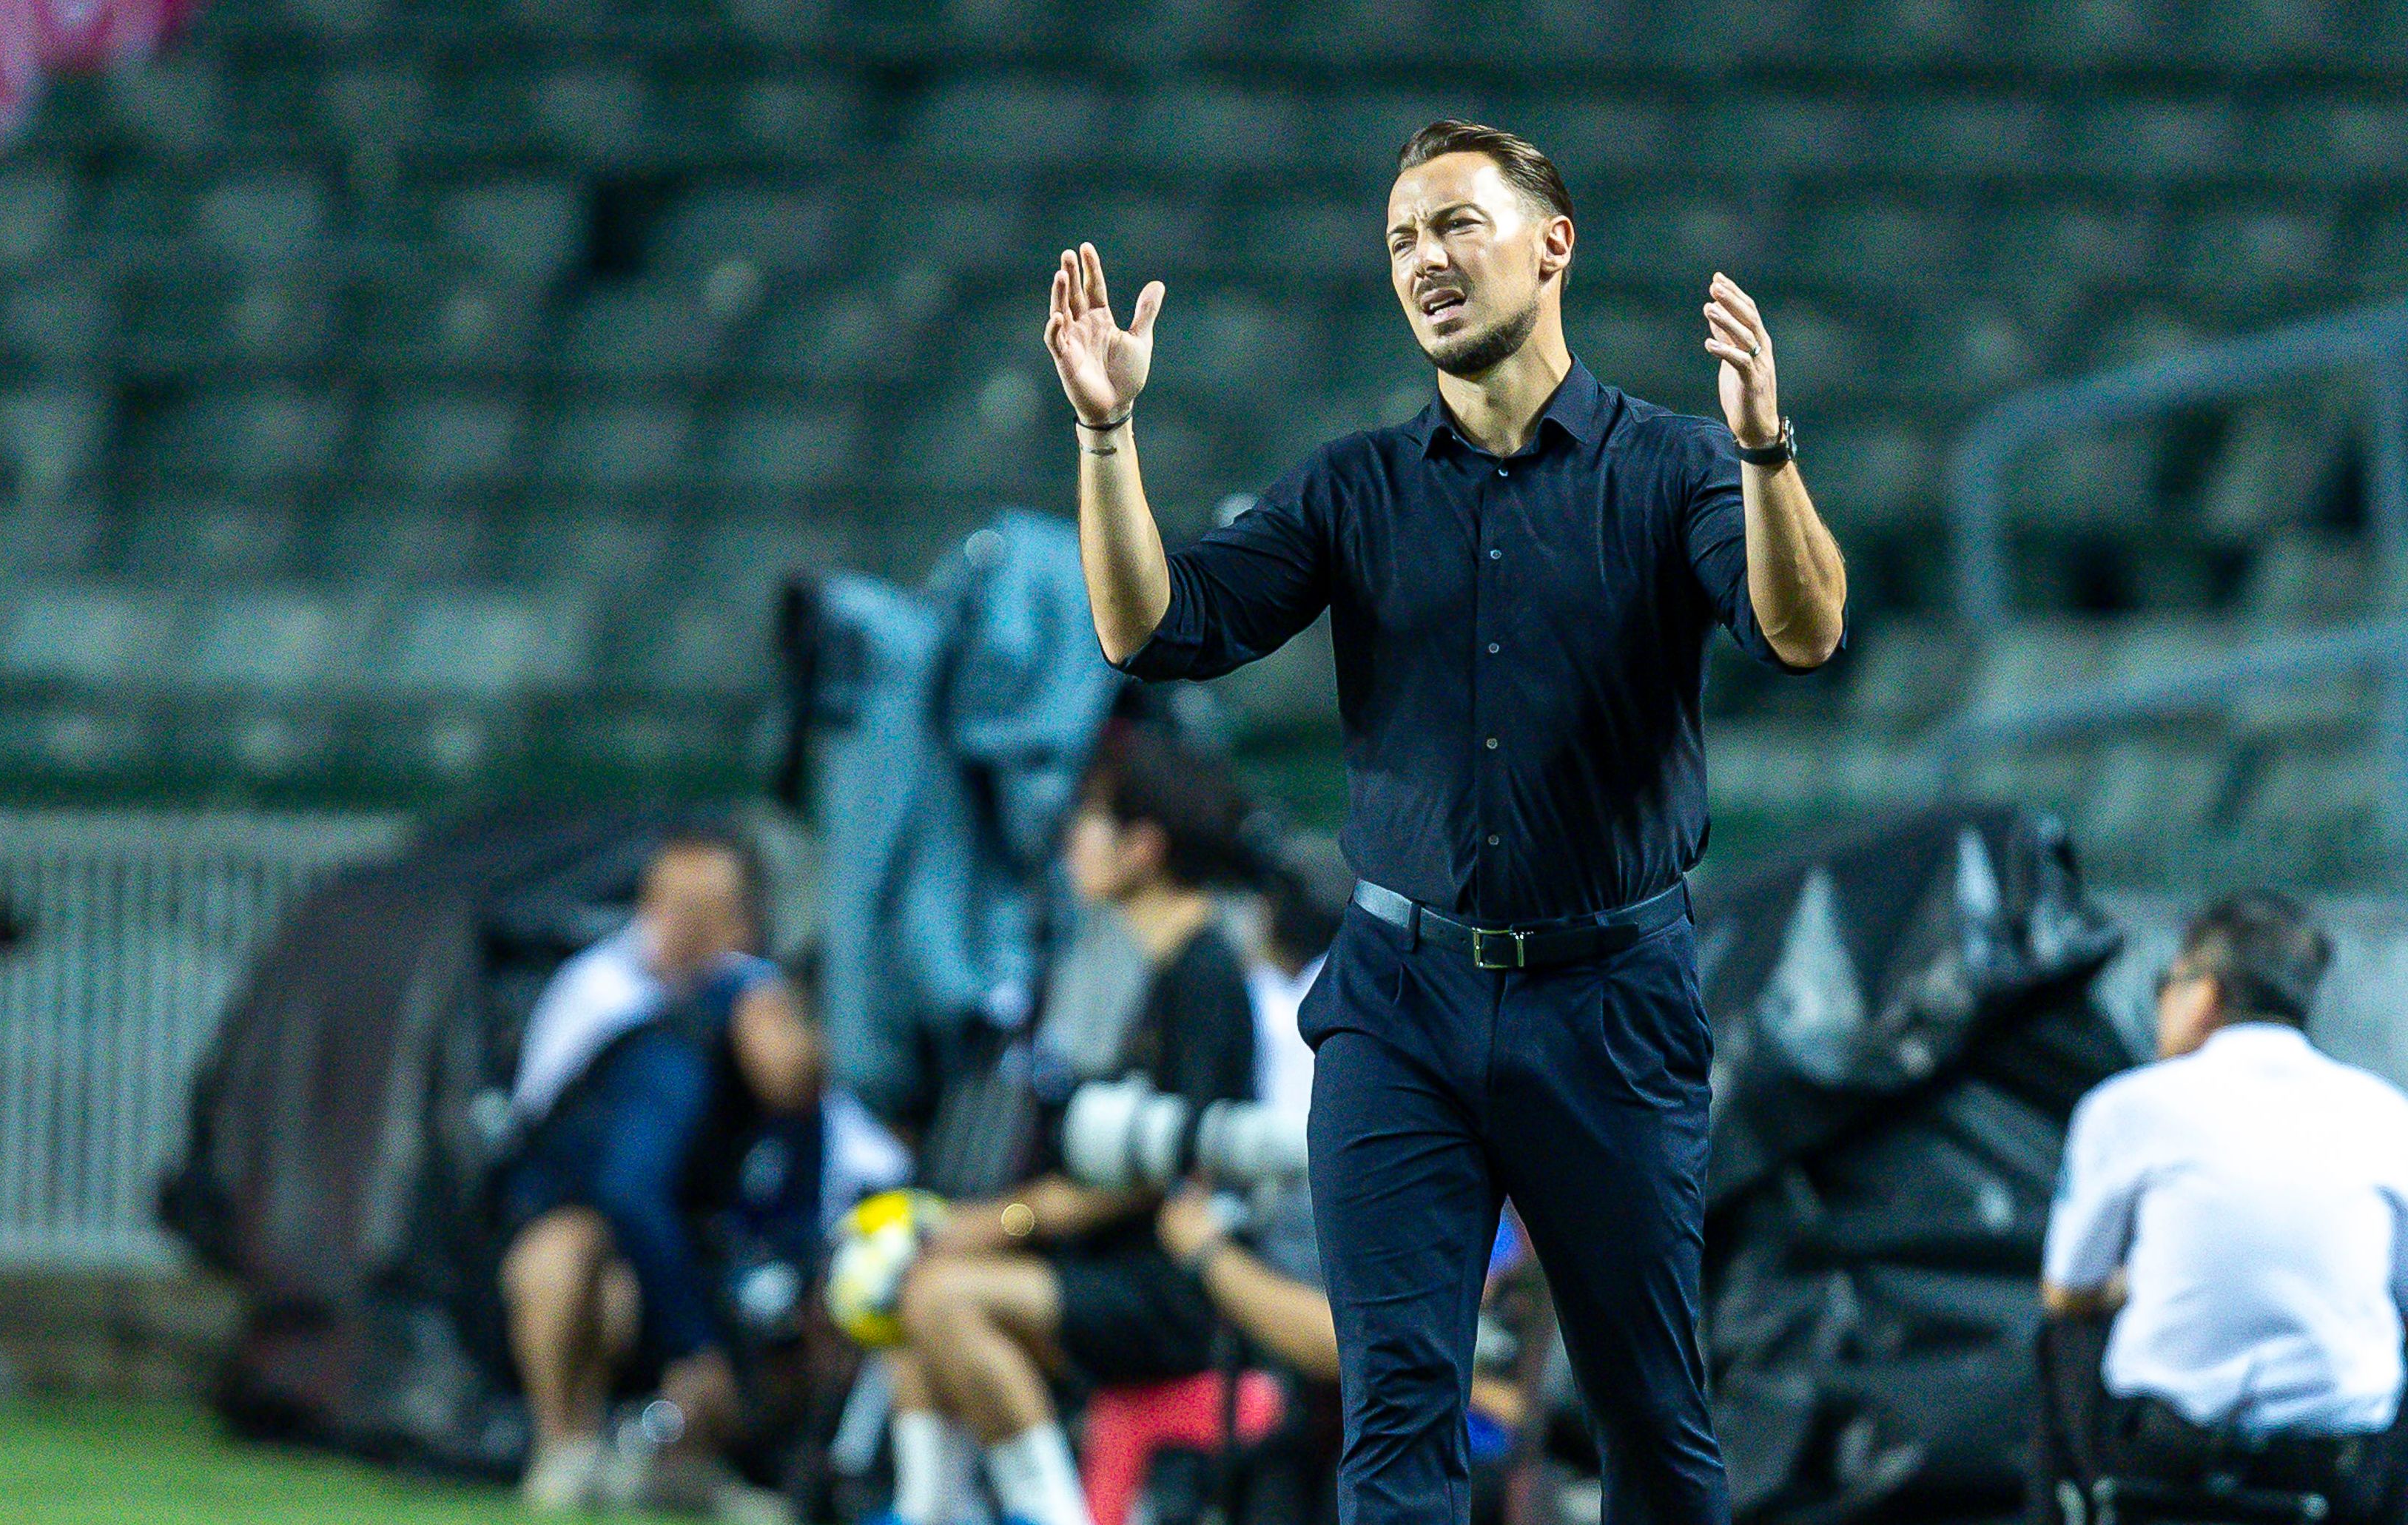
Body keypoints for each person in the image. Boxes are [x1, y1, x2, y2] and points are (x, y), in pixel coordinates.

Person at [1042, 118, 1847, 1525]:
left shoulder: (1667, 468)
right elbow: (1148, 627)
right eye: (1403, 237)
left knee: (1650, 1426)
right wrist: (1107, 433)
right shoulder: (1350, 488)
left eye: (1455, 225)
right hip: (1396, 1003)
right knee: (1393, 1417)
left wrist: (1765, 452)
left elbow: (1801, 627)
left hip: (1607, 1004)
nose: (1423, 258)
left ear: (1552, 244)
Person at [880, 721, 1260, 1525]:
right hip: (1101, 1268)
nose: (1068, 846)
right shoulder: (1142, 968)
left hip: (1174, 1287)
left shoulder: (1205, 976)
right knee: (905, 1307)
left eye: (1086, 823)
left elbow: (1167, 1168)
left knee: (945, 1296)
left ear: (1143, 846)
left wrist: (1003, 1221)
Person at [2034, 892, 2408, 1524]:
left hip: (2165, 1454)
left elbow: (2066, 1292)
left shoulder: (2126, 1106)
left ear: (2203, 994)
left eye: (2164, 984)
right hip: (2340, 1468)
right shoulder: (2387, 1112)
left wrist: (2131, 1285)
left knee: (2061, 1335)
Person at [497, 830, 821, 1515]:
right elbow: (612, 1181)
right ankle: (565, 1448)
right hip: (582, 1228)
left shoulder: (747, 991)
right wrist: (691, 1343)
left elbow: (802, 1093)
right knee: (568, 1262)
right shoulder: (629, 1015)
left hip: (692, 1228)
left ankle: (684, 1467)